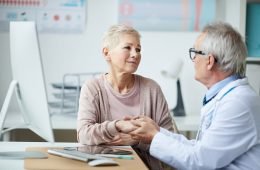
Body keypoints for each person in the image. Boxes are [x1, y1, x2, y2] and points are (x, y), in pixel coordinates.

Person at [126, 22, 260, 169]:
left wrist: (154, 137)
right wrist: (157, 131)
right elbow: (200, 148)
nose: (193, 59)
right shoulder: (228, 97)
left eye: (195, 53)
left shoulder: (237, 103)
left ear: (209, 61)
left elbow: (200, 161)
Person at [77, 24, 178, 170]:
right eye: (127, 47)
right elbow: (84, 135)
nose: (135, 54)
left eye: (138, 49)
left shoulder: (151, 89)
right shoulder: (92, 88)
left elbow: (169, 141)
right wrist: (117, 125)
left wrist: (136, 140)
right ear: (107, 53)